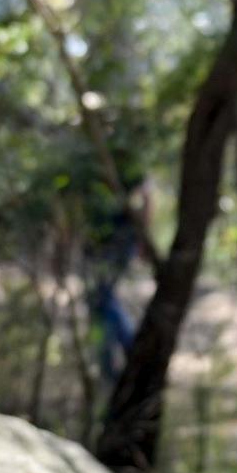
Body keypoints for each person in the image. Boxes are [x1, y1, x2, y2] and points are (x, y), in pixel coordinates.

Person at [83, 154, 149, 395]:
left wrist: (142, 239)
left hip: (119, 240)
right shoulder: (88, 156)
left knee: (103, 299)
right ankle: (112, 364)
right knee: (100, 301)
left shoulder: (127, 156)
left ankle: (126, 356)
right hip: (98, 242)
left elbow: (147, 196)